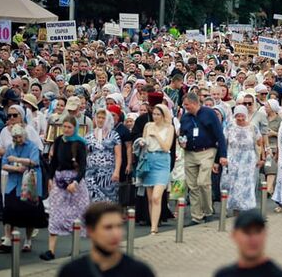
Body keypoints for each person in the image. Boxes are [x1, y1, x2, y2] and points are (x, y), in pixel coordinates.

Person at [58, 202, 154, 277]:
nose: (115, 234)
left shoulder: (139, 272)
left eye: (119, 226)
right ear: (90, 231)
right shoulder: (72, 272)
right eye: (108, 228)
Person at [40, 116, 89, 261]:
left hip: (75, 182)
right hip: (59, 179)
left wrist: (76, 182)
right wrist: (49, 178)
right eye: (65, 127)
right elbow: (54, 161)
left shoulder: (79, 144)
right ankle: (51, 250)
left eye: (69, 127)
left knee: (76, 216)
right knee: (55, 214)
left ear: (74, 128)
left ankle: (75, 248)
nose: (66, 130)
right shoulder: (59, 140)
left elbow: (83, 166)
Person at [0, 124, 47, 253]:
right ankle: (7, 239)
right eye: (15, 137)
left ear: (24, 136)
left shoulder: (32, 147)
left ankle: (28, 240)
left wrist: (18, 160)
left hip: (29, 183)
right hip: (13, 182)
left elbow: (34, 162)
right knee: (9, 210)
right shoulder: (10, 148)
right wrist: (16, 168)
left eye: (19, 137)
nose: (17, 140)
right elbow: (4, 164)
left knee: (29, 212)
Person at [179, 92, 227, 224]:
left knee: (202, 182)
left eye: (187, 105)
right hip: (190, 152)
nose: (185, 107)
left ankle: (208, 210)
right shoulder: (185, 118)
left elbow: (219, 134)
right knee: (192, 185)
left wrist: (222, 155)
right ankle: (197, 216)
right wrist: (181, 141)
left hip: (207, 151)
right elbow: (181, 134)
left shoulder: (209, 113)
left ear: (194, 103)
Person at [214, 209, 282, 277]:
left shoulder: (278, 275)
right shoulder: (224, 274)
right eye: (247, 232)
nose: (253, 239)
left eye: (257, 232)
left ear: (265, 234)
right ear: (234, 235)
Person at [221, 106, 264, 213]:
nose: (240, 118)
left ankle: (246, 208)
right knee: (232, 184)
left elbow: (260, 142)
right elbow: (223, 142)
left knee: (246, 184)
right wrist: (223, 156)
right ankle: (234, 208)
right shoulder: (230, 126)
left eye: (242, 116)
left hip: (248, 160)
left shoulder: (252, 127)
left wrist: (261, 157)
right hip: (233, 159)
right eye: (238, 116)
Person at [140, 104, 174, 234]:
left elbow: (167, 147)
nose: (155, 117)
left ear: (164, 115)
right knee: (150, 198)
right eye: (154, 114)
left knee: (156, 196)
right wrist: (142, 143)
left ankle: (154, 227)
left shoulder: (169, 128)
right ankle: (153, 226)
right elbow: (143, 142)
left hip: (162, 161)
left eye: (158, 114)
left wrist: (157, 136)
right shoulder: (148, 126)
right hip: (149, 160)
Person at [85, 108, 122, 203]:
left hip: (108, 173)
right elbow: (85, 152)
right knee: (92, 198)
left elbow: (118, 155)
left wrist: (117, 171)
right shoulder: (88, 135)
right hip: (91, 172)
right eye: (99, 117)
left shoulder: (114, 135)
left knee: (109, 200)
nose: (100, 120)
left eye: (103, 118)